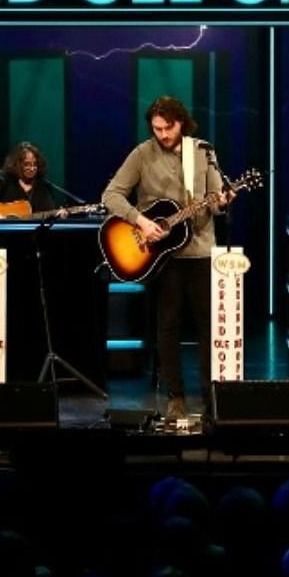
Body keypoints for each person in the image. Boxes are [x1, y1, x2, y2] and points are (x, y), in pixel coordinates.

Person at [101, 96, 230, 419]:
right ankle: (176, 396)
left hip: (200, 249)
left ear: (181, 123)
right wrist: (141, 221)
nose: (162, 134)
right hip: (162, 256)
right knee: (168, 325)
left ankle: (210, 396)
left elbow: (215, 201)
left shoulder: (203, 151)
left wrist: (224, 201)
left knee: (207, 325)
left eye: (167, 128)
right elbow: (111, 195)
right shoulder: (143, 153)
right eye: (156, 128)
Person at [0, 141, 60, 218]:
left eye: (35, 164)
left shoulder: (42, 186)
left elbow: (49, 212)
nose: (32, 169)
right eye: (27, 164)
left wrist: (58, 214)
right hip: (3, 236)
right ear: (17, 165)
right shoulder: (5, 179)